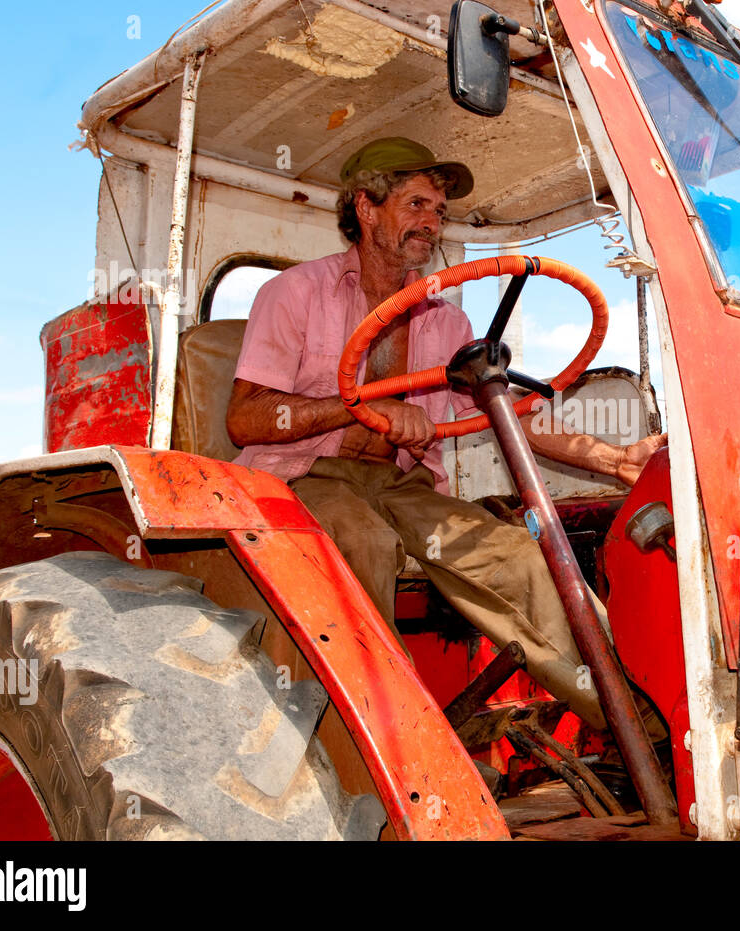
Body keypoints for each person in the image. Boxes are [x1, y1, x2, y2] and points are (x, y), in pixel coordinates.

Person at [225, 137, 664, 731]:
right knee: (365, 543)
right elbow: (246, 418)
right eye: (415, 205)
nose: (431, 223)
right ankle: (395, 738)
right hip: (306, 476)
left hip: (400, 484)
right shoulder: (294, 293)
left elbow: (514, 413)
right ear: (366, 207)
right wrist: (360, 409)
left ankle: (638, 725)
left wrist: (617, 461)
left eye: (439, 212)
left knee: (515, 554)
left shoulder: (446, 320)